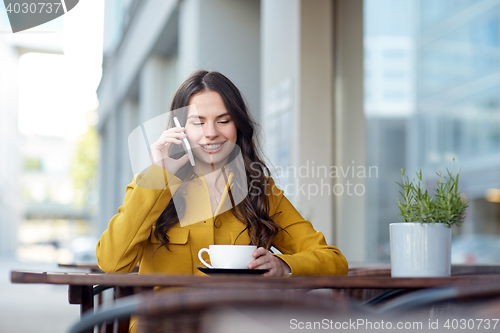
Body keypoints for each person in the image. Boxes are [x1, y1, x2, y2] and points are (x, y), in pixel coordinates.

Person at [96, 70, 348, 278]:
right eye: (198, 122)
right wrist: (160, 175)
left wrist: (284, 265)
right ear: (179, 128)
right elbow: (112, 262)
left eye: (223, 120)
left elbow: (333, 261)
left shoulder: (261, 189)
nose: (211, 132)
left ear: (238, 125)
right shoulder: (150, 184)